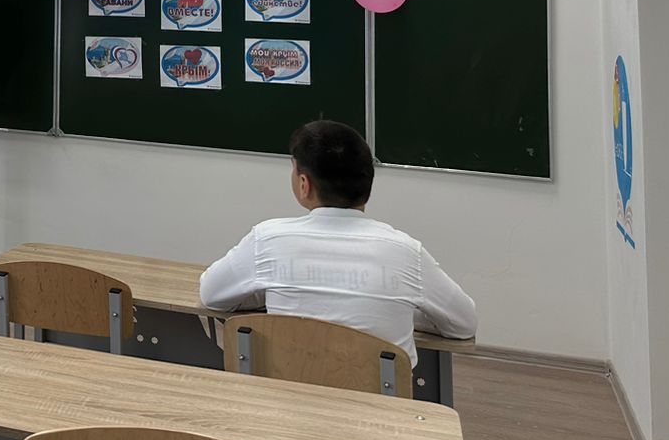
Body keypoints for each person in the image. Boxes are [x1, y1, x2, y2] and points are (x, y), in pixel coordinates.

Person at [199, 119, 477, 362]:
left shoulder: (268, 239)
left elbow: (212, 295)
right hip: (379, 403)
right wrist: (401, 308)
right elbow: (464, 325)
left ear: (304, 184)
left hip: (287, 397)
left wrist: (269, 295)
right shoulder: (405, 252)